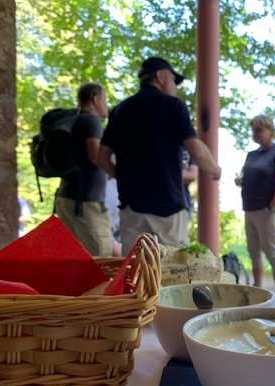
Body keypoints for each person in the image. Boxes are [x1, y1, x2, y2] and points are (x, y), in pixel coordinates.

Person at [98, 57, 221, 255]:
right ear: (161, 77)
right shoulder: (174, 106)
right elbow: (195, 148)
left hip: (131, 208)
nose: (175, 87)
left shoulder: (120, 110)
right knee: (172, 272)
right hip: (168, 208)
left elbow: (102, 157)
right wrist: (215, 170)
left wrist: (122, 177)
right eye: (174, 81)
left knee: (135, 271)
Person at [55, 82, 113, 257]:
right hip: (86, 202)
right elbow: (96, 156)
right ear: (95, 100)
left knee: (77, 257)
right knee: (102, 256)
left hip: (67, 196)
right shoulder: (91, 121)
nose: (106, 105)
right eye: (105, 99)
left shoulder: (75, 121)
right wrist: (116, 172)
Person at [235, 115, 275, 292]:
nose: (255, 133)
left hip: (268, 211)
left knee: (273, 252)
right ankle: (257, 289)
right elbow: (249, 177)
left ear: (270, 131)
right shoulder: (251, 155)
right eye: (253, 130)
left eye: (259, 130)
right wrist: (241, 181)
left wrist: (273, 206)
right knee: (254, 251)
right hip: (250, 209)